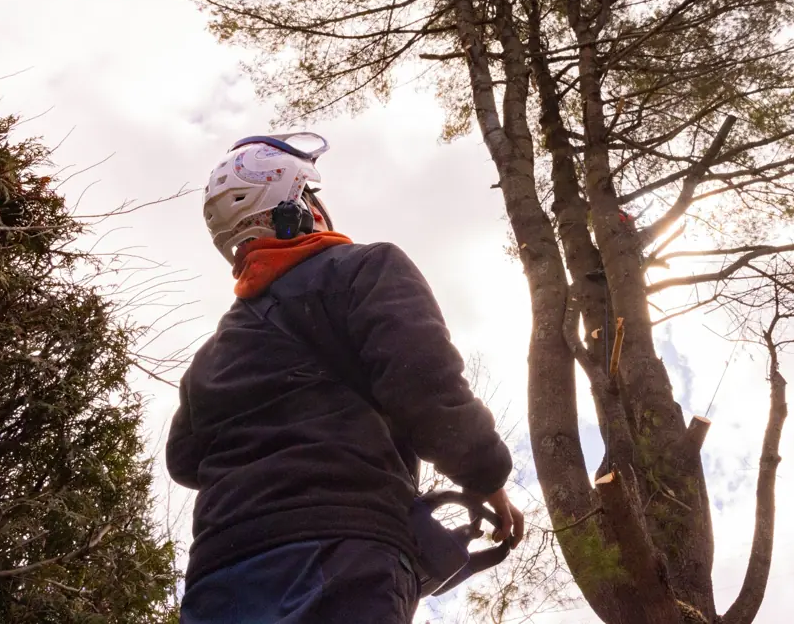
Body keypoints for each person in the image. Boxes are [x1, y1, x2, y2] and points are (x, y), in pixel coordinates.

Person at [167, 133, 525, 624]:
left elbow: (184, 460)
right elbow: (426, 389)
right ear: (297, 205)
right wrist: (486, 476)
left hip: (218, 574)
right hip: (341, 551)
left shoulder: (212, 354)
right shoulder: (364, 270)